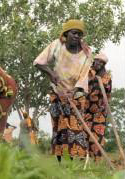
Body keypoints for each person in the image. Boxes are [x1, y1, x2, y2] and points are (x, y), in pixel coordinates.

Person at [34, 19, 93, 162]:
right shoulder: (56, 45)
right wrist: (51, 73)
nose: (77, 36)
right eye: (74, 33)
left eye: (80, 34)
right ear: (66, 34)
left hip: (76, 95)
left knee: (76, 128)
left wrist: (74, 92)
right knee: (59, 128)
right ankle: (60, 163)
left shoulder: (87, 52)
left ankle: (77, 162)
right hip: (57, 93)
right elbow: (38, 62)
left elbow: (85, 75)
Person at [85, 52, 112, 161]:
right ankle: (84, 162)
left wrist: (104, 108)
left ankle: (97, 163)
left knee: (97, 138)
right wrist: (92, 79)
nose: (97, 64)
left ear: (103, 64)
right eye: (96, 61)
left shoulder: (107, 77)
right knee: (85, 136)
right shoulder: (88, 73)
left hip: (99, 112)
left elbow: (108, 93)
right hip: (86, 111)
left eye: (101, 63)